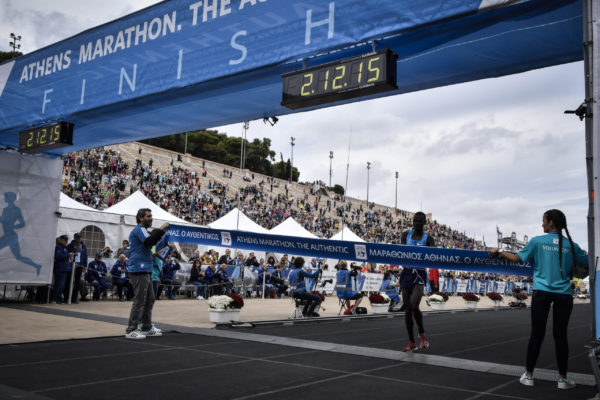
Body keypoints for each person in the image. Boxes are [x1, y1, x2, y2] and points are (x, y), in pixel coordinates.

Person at [489, 209, 588, 389]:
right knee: (561, 336)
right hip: (564, 294)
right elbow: (588, 263)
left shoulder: (537, 241)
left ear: (550, 222)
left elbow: (516, 258)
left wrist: (499, 252)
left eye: (543, 221)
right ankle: (563, 379)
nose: (542, 224)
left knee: (537, 334)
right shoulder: (572, 245)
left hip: (541, 292)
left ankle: (529, 376)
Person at [125, 208, 169, 339]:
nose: (151, 218)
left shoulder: (143, 230)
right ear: (141, 218)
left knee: (150, 298)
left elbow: (146, 245)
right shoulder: (139, 229)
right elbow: (150, 241)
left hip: (146, 268)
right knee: (140, 300)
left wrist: (154, 253)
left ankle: (146, 326)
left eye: (151, 216)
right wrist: (162, 228)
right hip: (139, 269)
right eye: (148, 216)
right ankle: (131, 329)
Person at [400, 211, 433, 352]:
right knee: (408, 310)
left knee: (413, 306)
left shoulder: (429, 239)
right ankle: (411, 341)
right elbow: (399, 253)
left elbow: (433, 257)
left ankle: (422, 333)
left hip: (419, 273)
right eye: (415, 221)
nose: (417, 223)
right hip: (406, 273)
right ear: (412, 221)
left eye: (420, 221)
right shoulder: (405, 235)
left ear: (424, 223)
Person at [67, 233, 88, 303]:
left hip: (80, 266)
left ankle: (75, 298)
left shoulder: (83, 246)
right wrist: (74, 251)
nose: (78, 239)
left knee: (77, 282)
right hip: (71, 266)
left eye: (80, 237)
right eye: (77, 238)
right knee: (69, 282)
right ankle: (68, 297)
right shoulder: (70, 245)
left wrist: (85, 266)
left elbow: (85, 256)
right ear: (74, 238)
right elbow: (68, 255)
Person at [52, 235, 72, 304]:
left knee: (62, 285)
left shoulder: (65, 248)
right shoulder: (59, 247)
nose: (66, 241)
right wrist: (68, 255)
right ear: (61, 240)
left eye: (67, 240)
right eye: (65, 240)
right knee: (58, 284)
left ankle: (58, 298)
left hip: (65, 268)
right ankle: (55, 299)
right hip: (60, 268)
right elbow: (59, 256)